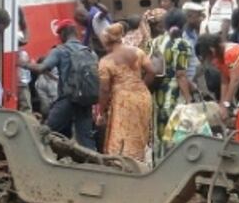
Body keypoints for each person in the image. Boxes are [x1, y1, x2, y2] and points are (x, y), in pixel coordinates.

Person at [25, 19, 97, 150]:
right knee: (86, 137)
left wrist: (23, 64)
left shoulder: (60, 50)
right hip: (86, 99)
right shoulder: (90, 52)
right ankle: (96, 165)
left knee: (46, 130)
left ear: (63, 34)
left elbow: (42, 68)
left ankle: (32, 158)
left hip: (67, 99)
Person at [97, 23, 154, 162]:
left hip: (123, 101)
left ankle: (125, 166)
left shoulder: (105, 62)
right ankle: (141, 162)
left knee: (122, 134)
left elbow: (104, 90)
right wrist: (139, 85)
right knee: (139, 132)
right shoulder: (138, 52)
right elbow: (152, 72)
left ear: (106, 41)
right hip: (143, 97)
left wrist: (101, 111)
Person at [150, 9, 195, 153]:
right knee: (174, 133)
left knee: (160, 132)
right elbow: (180, 74)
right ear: (183, 24)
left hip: (157, 94)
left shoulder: (155, 41)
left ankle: (159, 163)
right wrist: (189, 99)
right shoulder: (182, 44)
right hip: (174, 95)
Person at [16, 33, 33, 113]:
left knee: (25, 105)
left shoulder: (22, 53)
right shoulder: (22, 53)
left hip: (22, 83)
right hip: (22, 83)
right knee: (26, 106)